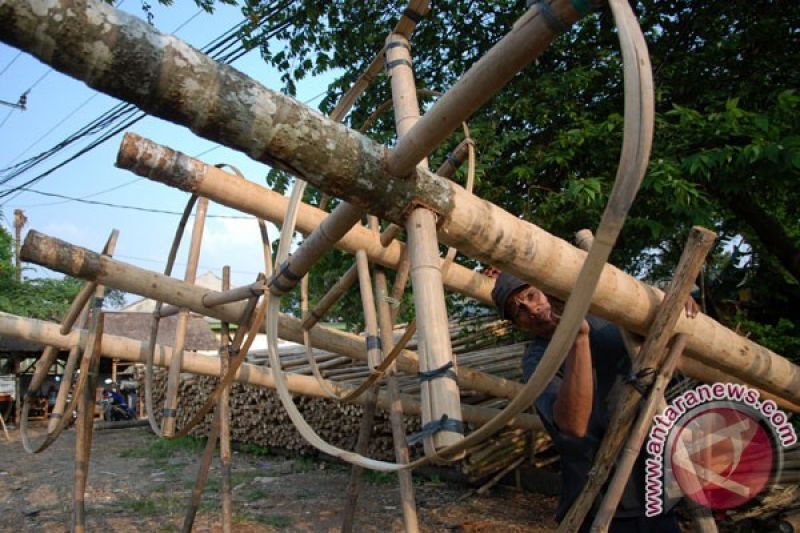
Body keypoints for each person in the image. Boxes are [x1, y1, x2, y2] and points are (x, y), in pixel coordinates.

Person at [492, 271, 688, 532]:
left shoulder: (610, 318)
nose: (533, 310)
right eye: (520, 312)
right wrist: (578, 338)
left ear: (547, 290)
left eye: (531, 295)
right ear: (520, 325)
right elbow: (573, 425)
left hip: (654, 486)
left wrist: (677, 308)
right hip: (597, 501)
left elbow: (663, 331)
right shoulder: (538, 360)